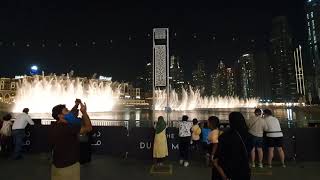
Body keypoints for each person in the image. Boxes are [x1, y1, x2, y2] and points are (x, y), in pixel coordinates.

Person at [49, 100, 92, 180]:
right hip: (69, 167)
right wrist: (84, 112)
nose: (69, 112)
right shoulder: (68, 128)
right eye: (66, 110)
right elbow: (89, 128)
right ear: (60, 115)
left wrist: (76, 105)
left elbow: (71, 114)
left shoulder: (54, 126)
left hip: (56, 166)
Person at [215, 112, 251, 180]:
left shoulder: (224, 137)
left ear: (230, 121)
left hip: (228, 170)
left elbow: (219, 156)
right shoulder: (249, 136)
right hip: (244, 169)